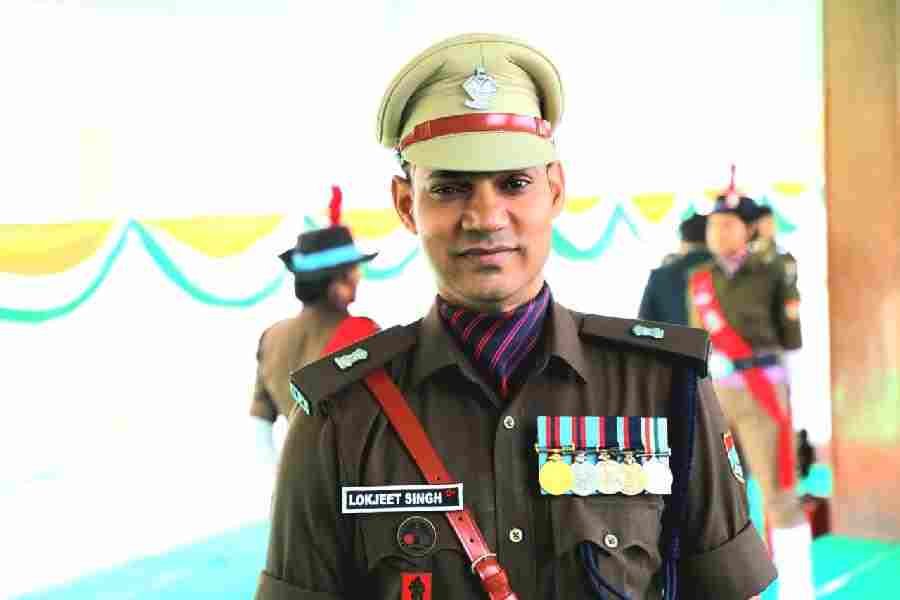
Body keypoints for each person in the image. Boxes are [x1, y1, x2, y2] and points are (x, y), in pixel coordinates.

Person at [255, 33, 774, 600]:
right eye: (449, 188)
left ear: (555, 190)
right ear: (406, 204)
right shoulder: (339, 413)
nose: (485, 217)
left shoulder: (662, 386)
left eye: (514, 184)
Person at [686, 183, 813, 600]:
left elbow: (792, 341)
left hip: (763, 391)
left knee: (779, 492)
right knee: (725, 497)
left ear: (748, 229)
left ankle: (797, 590)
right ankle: (742, 589)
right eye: (713, 225)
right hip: (717, 396)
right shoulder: (700, 280)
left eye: (728, 225)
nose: (718, 233)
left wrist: (793, 401)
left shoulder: (774, 269)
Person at [249, 186, 379, 465]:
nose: (359, 277)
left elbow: (260, 424)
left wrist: (283, 479)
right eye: (353, 271)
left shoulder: (271, 337)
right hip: (350, 474)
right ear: (338, 284)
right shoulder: (365, 336)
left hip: (297, 473)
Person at [638, 213, 711, 325]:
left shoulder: (661, 275)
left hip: (672, 336)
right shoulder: (728, 272)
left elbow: (643, 325)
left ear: (683, 241)